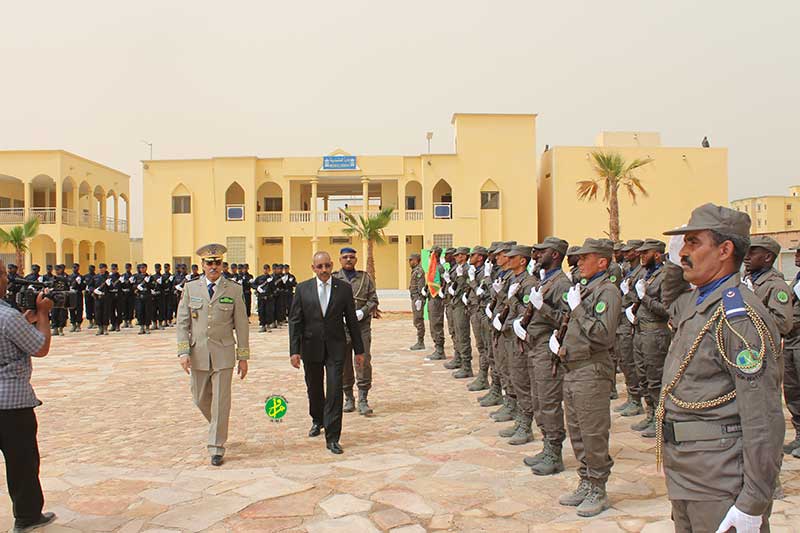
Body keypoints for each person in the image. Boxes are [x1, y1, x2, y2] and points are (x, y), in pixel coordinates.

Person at [659, 204, 783, 532]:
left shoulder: (738, 318)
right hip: (688, 471)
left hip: (719, 477)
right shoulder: (698, 302)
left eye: (693, 243)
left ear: (725, 250)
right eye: (682, 244)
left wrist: (753, 502)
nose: (684, 251)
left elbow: (763, 417)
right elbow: (671, 297)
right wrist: (678, 260)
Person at [550, 238, 621, 517]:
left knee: (593, 432)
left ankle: (598, 488)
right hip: (574, 368)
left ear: (602, 262)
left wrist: (577, 308)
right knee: (577, 431)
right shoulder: (586, 288)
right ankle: (585, 480)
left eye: (584, 258)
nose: (578, 263)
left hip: (592, 370)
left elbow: (603, 335)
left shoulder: (608, 292)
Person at [176, 243, 250, 466]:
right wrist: (183, 351)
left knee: (220, 401)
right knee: (199, 398)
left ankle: (216, 446)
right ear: (202, 265)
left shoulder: (234, 289)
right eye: (209, 263)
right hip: (198, 352)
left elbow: (242, 325)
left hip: (224, 352)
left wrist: (243, 356)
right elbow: (182, 322)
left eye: (217, 262)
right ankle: (219, 425)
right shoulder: (191, 288)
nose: (214, 266)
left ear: (222, 265)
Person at [0, 259, 57, 532]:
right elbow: (40, 346)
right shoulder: (7, 316)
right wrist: (43, 314)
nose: (7, 279)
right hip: (11, 404)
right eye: (2, 274)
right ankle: (27, 515)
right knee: (22, 462)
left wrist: (26, 321)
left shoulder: (11, 318)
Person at [288, 251, 364, 455]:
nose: (324, 270)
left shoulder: (344, 289)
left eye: (327, 266)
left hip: (336, 348)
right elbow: (295, 321)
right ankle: (317, 419)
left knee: (334, 390)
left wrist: (359, 350)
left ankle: (333, 437)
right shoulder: (303, 289)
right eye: (319, 267)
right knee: (314, 388)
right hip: (310, 347)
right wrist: (294, 351)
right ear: (313, 268)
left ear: (332, 266)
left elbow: (351, 320)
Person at [516, 237, 571, 475]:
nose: (536, 255)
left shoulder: (561, 284)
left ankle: (554, 453)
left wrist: (543, 308)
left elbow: (567, 320)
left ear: (556, 255)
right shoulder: (543, 281)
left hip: (546, 351)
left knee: (548, 403)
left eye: (541, 252)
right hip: (534, 347)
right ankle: (546, 446)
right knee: (538, 400)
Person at [630, 239, 686, 439]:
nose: (642, 256)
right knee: (643, 375)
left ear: (657, 254)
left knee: (656, 379)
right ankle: (650, 413)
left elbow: (666, 310)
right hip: (641, 331)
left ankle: (661, 419)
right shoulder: (648, 275)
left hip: (656, 332)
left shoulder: (664, 277)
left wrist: (644, 298)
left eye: (646, 253)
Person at [333, 247, 379, 416]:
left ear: (356, 259)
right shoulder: (334, 279)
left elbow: (374, 299)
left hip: (361, 327)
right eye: (345, 257)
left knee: (363, 360)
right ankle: (348, 398)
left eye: (352, 257)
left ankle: (363, 399)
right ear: (340, 260)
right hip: (341, 329)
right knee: (344, 363)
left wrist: (363, 311)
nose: (349, 260)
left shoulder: (365, 278)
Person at [614, 240, 646, 418]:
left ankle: (636, 400)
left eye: (629, 251)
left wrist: (629, 294)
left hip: (631, 321)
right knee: (624, 360)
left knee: (630, 361)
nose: (626, 253)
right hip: (622, 319)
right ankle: (632, 396)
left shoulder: (642, 272)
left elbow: (640, 298)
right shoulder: (628, 271)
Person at [466, 246, 492, 391]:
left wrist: (472, 281)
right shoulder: (476, 271)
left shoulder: (485, 273)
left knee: (485, 347)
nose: (471, 257)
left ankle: (483, 378)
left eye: (473, 255)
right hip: (475, 309)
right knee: (481, 346)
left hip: (481, 311)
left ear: (480, 257)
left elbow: (481, 293)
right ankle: (482, 377)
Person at [786, 247, 800, 457]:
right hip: (790, 341)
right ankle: (799, 436)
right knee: (793, 391)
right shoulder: (797, 280)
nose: (796, 257)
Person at [425, 246, 447, 360]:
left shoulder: (438, 268)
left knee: (436, 324)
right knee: (433, 324)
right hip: (432, 298)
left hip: (437, 300)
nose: (429, 256)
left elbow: (441, 284)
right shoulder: (433, 267)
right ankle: (437, 347)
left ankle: (440, 350)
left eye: (431, 253)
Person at [408, 253, 427, 351]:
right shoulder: (415, 271)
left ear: (417, 260)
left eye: (411, 260)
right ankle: (420, 341)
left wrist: (420, 298)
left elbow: (421, 286)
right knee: (416, 320)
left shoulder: (419, 271)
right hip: (414, 298)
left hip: (417, 299)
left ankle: (421, 342)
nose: (410, 262)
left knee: (418, 320)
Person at [92, 263, 110, 336]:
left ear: (105, 268)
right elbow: (90, 286)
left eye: (103, 268)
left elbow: (112, 287)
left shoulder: (108, 277)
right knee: (98, 313)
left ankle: (105, 328)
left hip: (105, 297)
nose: (101, 269)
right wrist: (94, 290)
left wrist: (110, 284)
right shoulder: (95, 277)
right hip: (97, 298)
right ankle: (100, 328)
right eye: (100, 268)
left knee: (106, 312)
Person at [68, 264, 85, 332]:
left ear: (78, 268)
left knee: (79, 309)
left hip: (78, 294)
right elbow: (67, 285)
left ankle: (78, 324)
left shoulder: (81, 277)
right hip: (71, 294)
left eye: (76, 267)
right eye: (74, 267)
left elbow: (83, 287)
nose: (75, 269)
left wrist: (79, 283)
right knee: (71, 309)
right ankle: (73, 324)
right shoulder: (69, 277)